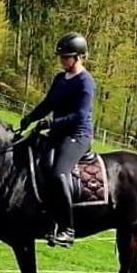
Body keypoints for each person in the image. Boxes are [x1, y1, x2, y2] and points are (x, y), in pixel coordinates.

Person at [20, 32, 96, 248]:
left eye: (66, 57)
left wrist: (51, 123)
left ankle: (67, 228)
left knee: (58, 172)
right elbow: (48, 103)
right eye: (61, 57)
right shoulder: (60, 78)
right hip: (57, 134)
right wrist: (30, 118)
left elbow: (80, 116)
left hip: (77, 135)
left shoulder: (86, 83)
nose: (62, 61)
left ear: (79, 57)